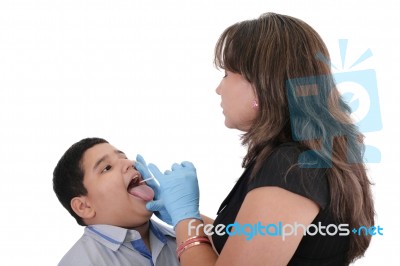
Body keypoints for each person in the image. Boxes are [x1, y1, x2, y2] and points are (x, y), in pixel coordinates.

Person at [138, 12, 375, 266]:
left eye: (227, 74)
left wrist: (185, 220)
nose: (219, 88)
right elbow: (243, 242)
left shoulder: (292, 168)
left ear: (261, 84)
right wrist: (185, 216)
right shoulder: (301, 160)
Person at [53, 137, 179, 266]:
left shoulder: (182, 237)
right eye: (107, 168)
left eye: (124, 158)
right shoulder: (80, 262)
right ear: (84, 206)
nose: (129, 163)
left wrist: (186, 219)